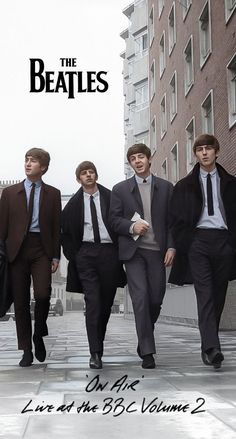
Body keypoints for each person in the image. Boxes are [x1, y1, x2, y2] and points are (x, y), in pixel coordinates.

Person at [169, 134, 236, 369]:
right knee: (205, 294)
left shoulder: (231, 183)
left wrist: (231, 243)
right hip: (198, 242)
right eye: (200, 149)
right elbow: (175, 219)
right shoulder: (184, 186)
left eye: (209, 148)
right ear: (195, 154)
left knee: (218, 295)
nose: (204, 153)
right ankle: (211, 347)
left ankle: (209, 342)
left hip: (224, 242)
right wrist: (184, 243)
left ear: (216, 152)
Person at [109, 144, 175, 369]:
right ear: (130, 164)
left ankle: (145, 334)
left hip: (158, 252)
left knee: (155, 299)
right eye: (133, 159)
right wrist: (131, 226)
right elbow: (114, 220)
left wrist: (172, 247)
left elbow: (172, 222)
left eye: (141, 157)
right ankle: (147, 351)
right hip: (134, 253)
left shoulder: (167, 188)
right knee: (140, 298)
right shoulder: (120, 189)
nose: (137, 161)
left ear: (149, 159)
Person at [61, 161, 126, 370]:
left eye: (91, 172)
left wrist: (119, 252)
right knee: (93, 302)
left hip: (109, 253)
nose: (88, 175)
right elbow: (65, 234)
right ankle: (95, 352)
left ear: (96, 175)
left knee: (106, 304)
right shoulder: (72, 205)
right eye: (83, 173)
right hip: (86, 255)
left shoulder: (110, 196)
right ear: (78, 178)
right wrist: (76, 256)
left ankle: (99, 343)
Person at [0, 148, 61, 367]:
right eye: (26, 160)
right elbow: (2, 227)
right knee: (21, 302)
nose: (27, 164)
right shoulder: (9, 193)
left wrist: (56, 256)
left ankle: (39, 332)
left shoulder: (53, 194)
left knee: (43, 294)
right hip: (16, 251)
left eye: (33, 161)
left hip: (41, 249)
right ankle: (26, 348)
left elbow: (56, 227)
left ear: (43, 167)